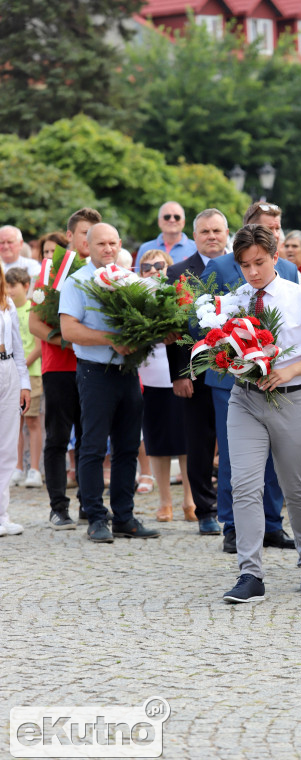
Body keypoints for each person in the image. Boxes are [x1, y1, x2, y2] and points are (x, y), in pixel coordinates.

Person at [223, 224, 301, 603]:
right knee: (244, 485)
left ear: (275, 257)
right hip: (245, 399)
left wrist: (288, 370)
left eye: (259, 262)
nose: (253, 272)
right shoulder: (235, 301)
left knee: (297, 487)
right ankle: (250, 573)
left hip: (292, 398)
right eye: (244, 265)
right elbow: (224, 349)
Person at [201, 201, 299, 554]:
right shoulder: (220, 266)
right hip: (231, 380)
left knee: (276, 453)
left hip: (277, 378)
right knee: (233, 456)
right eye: (266, 226)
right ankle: (232, 525)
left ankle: (272, 524)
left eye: (277, 226)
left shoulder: (289, 268)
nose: (274, 232)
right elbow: (202, 318)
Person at [59, 223, 160, 543]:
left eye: (113, 243)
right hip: (95, 372)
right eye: (100, 243)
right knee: (92, 446)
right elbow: (69, 331)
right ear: (87, 246)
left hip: (128, 372)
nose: (108, 249)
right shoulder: (78, 282)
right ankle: (95, 516)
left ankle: (124, 517)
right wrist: (112, 339)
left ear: (120, 246)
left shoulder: (130, 280)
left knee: (128, 446)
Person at [29, 207, 102, 530]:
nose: (90, 240)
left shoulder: (104, 270)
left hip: (94, 365)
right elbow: (34, 323)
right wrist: (66, 341)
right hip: (59, 365)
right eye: (84, 233)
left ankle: (90, 503)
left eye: (94, 234)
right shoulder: (50, 270)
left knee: (91, 437)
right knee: (58, 437)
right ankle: (58, 506)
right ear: (69, 236)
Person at [166, 208, 229, 535]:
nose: (212, 237)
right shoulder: (178, 271)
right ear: (194, 236)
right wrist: (179, 373)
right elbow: (173, 331)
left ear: (226, 233)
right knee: (200, 442)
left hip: (236, 371)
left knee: (236, 443)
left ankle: (235, 507)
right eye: (205, 232)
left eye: (217, 231)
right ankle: (205, 510)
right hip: (196, 373)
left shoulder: (241, 267)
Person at [138, 249, 195, 522]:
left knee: (186, 441)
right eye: (146, 267)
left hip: (179, 373)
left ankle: (190, 499)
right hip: (150, 377)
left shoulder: (180, 294)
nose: (152, 271)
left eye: (158, 265)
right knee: (157, 442)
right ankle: (164, 501)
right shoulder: (137, 299)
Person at [0, 263, 31, 536]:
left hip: (8, 368)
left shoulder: (6, 301)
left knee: (8, 445)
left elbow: (18, 345)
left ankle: (2, 514)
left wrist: (24, 383)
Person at [5, 269, 43, 489]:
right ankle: (17, 467)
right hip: (12, 373)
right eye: (7, 286)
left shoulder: (31, 309)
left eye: (14, 286)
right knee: (14, 423)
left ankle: (34, 468)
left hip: (32, 372)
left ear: (26, 286)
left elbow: (37, 347)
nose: (10, 291)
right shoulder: (5, 310)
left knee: (33, 420)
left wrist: (20, 367)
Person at [134, 201, 196, 270]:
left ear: (183, 222)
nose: (172, 220)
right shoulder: (145, 248)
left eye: (177, 217)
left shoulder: (196, 249)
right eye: (167, 217)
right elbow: (138, 278)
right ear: (159, 221)